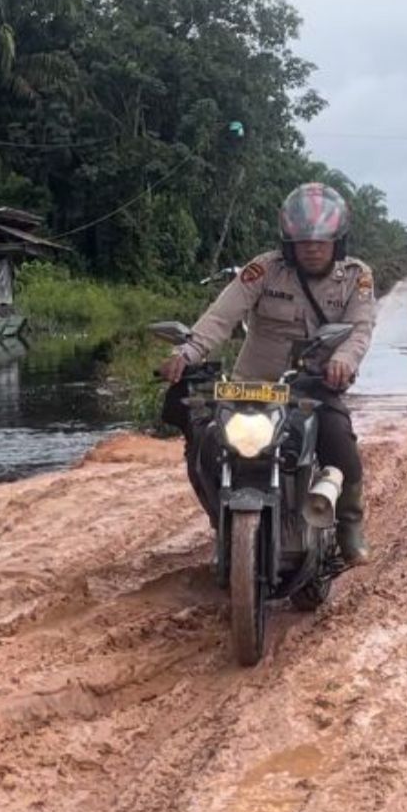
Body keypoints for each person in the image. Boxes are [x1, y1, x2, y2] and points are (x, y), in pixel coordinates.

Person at [161, 182, 376, 564]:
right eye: (303, 241)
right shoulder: (264, 269)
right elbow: (221, 315)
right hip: (251, 386)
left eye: (321, 241)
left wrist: (343, 361)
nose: (312, 248)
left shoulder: (356, 278)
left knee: (341, 442)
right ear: (288, 242)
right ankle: (220, 517)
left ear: (337, 242)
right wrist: (189, 350)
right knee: (205, 444)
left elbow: (360, 329)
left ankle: (348, 524)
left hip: (312, 385)